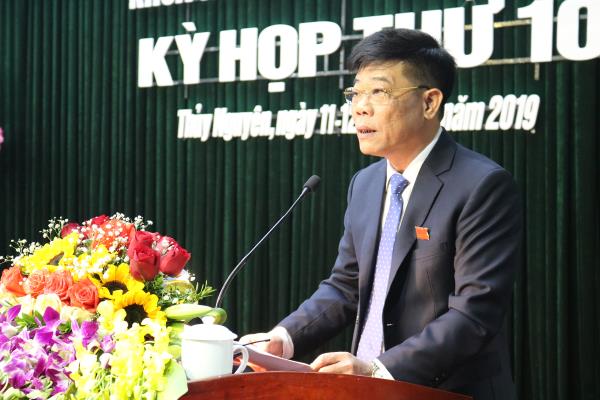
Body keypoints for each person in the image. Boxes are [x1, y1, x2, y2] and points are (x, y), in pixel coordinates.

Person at [241, 28, 521, 399]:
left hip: (446, 390)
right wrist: (283, 338)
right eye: (356, 92)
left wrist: (378, 370)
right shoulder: (366, 183)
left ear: (429, 102)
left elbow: (474, 314)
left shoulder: (481, 185)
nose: (360, 107)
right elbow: (346, 286)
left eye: (379, 92)